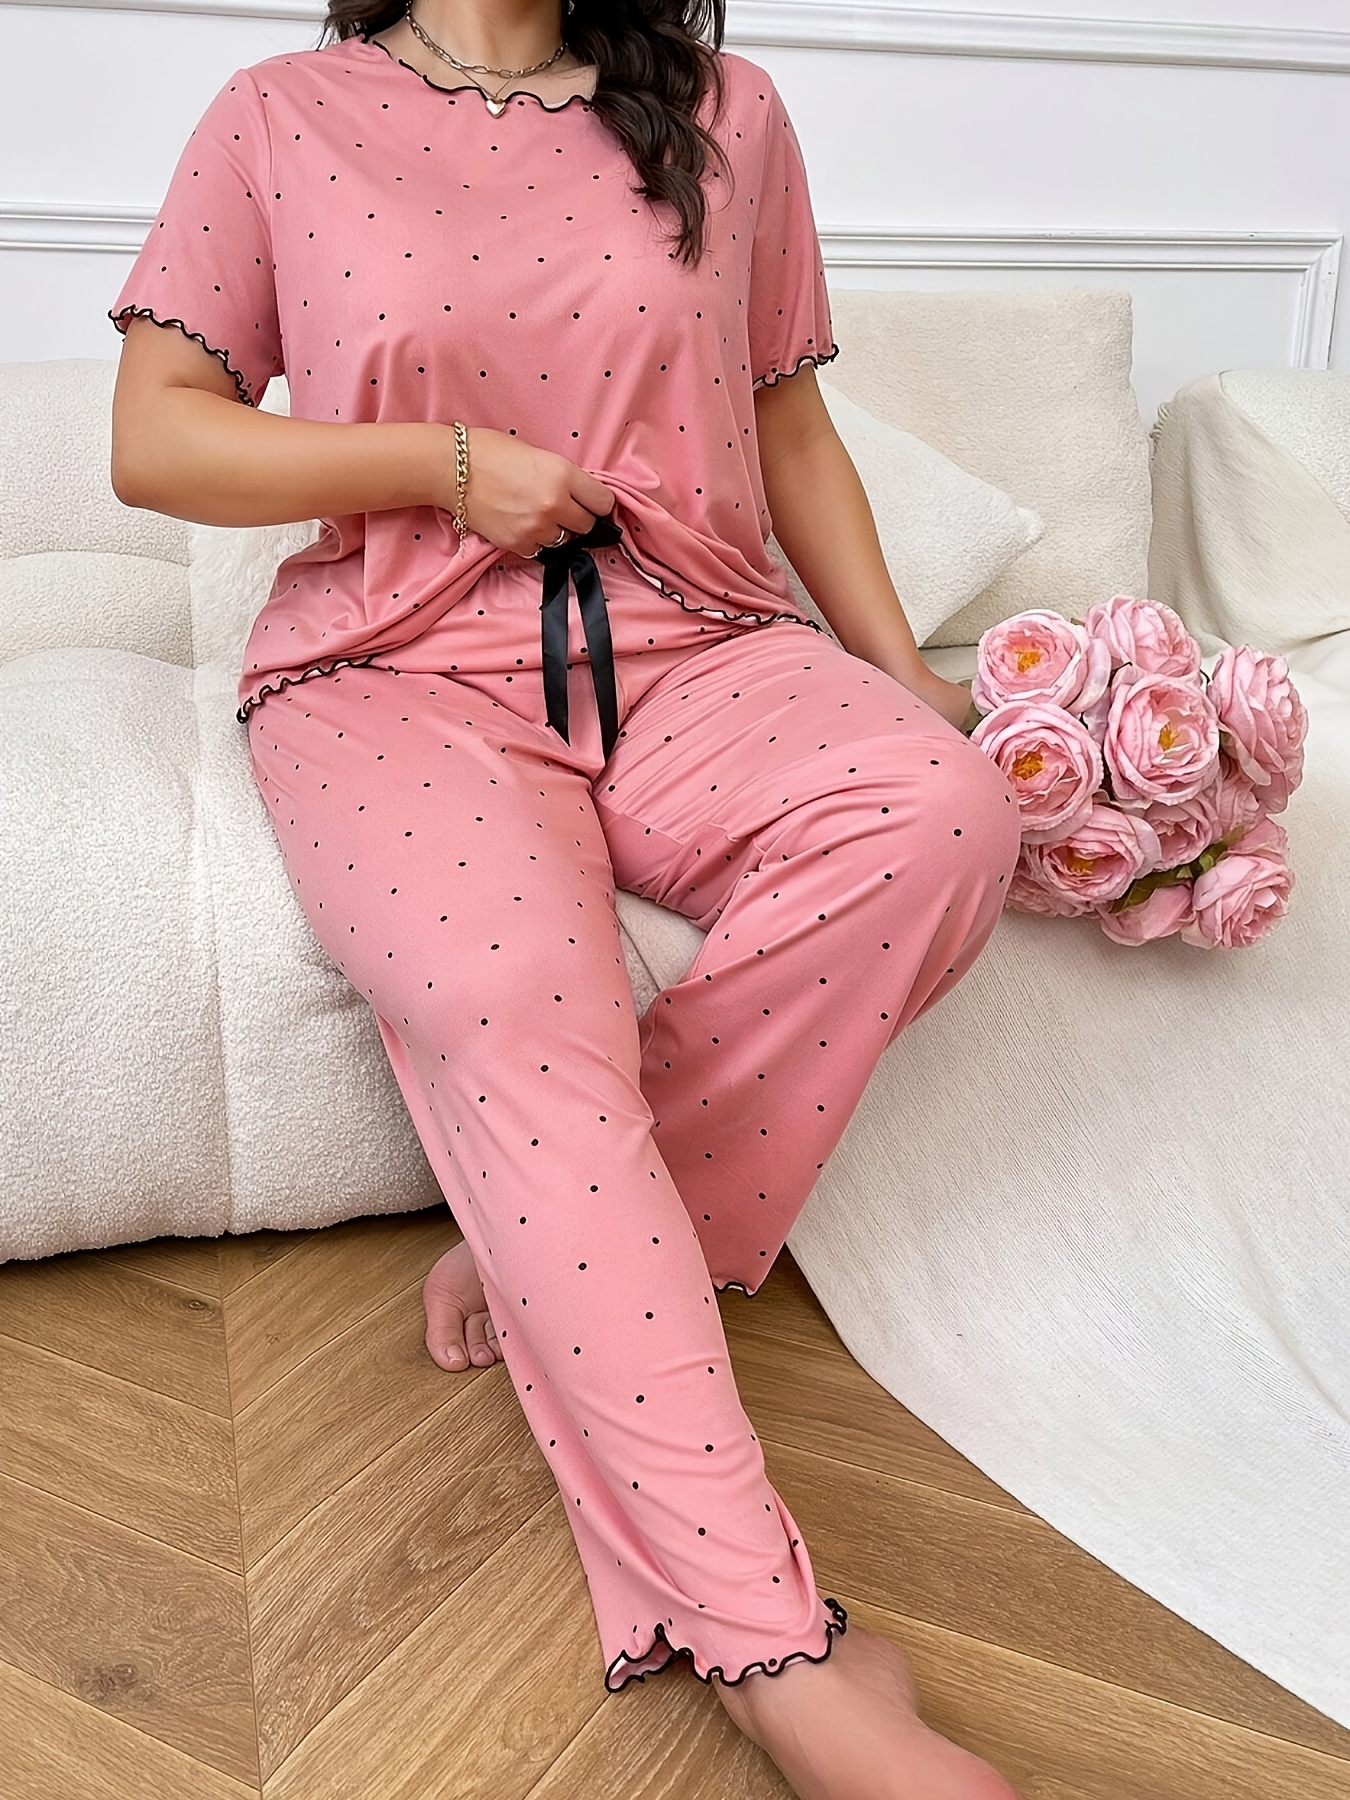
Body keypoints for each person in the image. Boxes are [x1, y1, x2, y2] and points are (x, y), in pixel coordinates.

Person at [107, 4, 1024, 1794]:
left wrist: (902, 673)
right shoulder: (282, 113)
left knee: (933, 815)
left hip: (696, 637)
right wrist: (440, 466)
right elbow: (158, 440)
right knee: (510, 995)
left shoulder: (726, 110)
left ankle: (546, 1242)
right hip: (392, 666)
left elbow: (788, 424)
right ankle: (772, 1648)